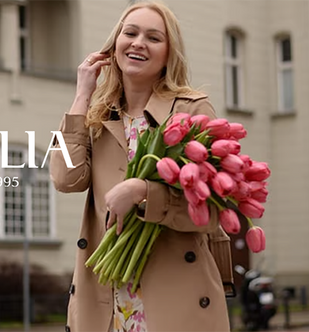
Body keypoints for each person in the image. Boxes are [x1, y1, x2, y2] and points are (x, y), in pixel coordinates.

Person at [50, 2, 230, 332]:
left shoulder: (192, 110)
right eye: (129, 33)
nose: (137, 43)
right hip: (107, 300)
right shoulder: (98, 115)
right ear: (114, 45)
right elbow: (65, 178)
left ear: (168, 53)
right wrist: (81, 96)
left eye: (153, 37)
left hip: (175, 300)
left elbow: (212, 210)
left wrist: (142, 192)